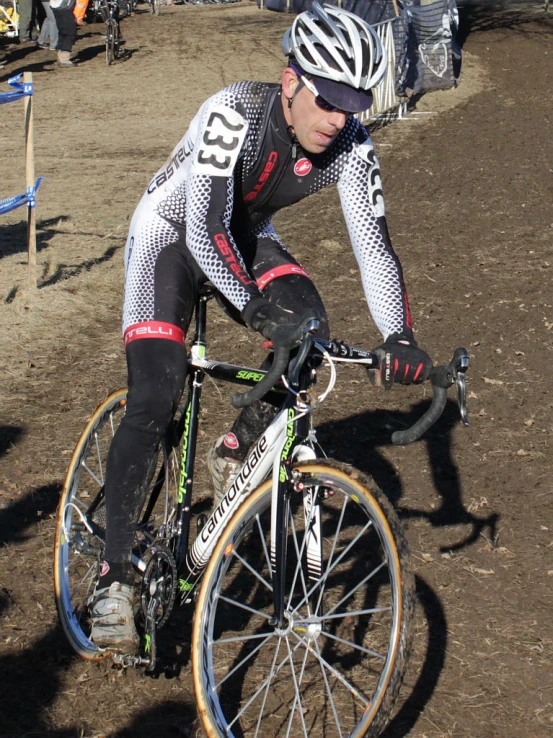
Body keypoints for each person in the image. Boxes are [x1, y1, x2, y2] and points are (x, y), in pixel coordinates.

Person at [89, 1, 433, 653]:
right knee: (155, 398)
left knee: (307, 325)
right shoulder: (233, 113)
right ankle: (112, 580)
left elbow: (374, 249)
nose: (338, 119)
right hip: (170, 236)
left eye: (352, 103)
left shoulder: (352, 146)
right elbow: (203, 226)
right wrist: (250, 306)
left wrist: (399, 337)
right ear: (290, 82)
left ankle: (235, 450)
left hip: (244, 239)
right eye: (327, 99)